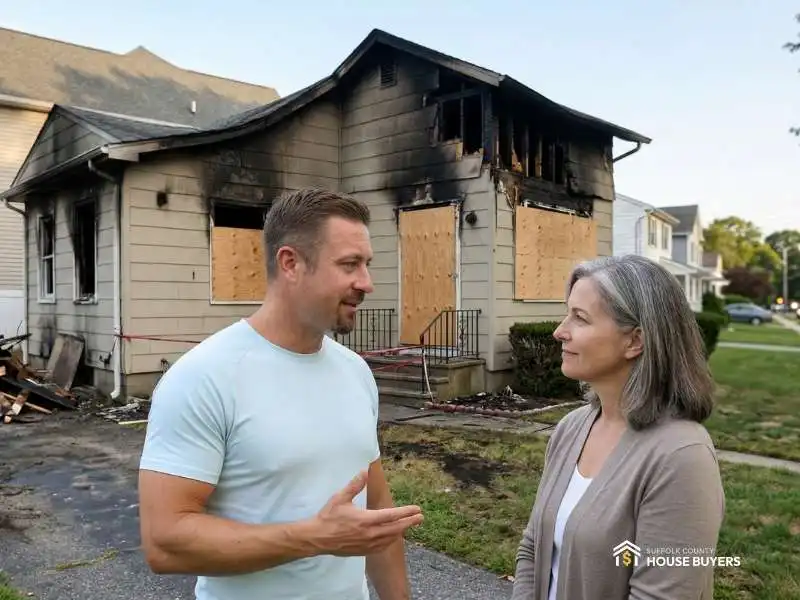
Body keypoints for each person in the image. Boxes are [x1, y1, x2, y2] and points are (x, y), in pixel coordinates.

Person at [137, 188, 423, 600]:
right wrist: (314, 537)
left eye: (366, 264)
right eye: (349, 265)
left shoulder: (355, 372)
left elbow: (376, 511)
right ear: (290, 263)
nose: (367, 283)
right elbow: (165, 542)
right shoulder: (204, 377)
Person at [511, 255, 725, 600]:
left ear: (635, 341)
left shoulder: (682, 458)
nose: (559, 331)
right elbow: (533, 547)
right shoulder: (572, 428)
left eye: (580, 318)